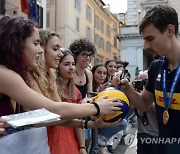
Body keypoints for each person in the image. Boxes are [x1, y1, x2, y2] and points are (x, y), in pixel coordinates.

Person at [0, 16, 121, 135]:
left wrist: (89, 121)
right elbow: (53, 110)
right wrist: (96, 107)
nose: (40, 50)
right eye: (36, 43)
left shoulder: (18, 74)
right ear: (17, 44)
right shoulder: (5, 74)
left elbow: (46, 117)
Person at [115, 5, 180, 154]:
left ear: (170, 30)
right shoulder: (156, 67)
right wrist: (127, 88)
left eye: (150, 38)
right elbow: (144, 104)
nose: (146, 46)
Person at [92, 64, 127, 154]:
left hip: (98, 118)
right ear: (92, 73)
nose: (102, 75)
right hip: (91, 119)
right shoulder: (93, 86)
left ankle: (102, 138)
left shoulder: (104, 87)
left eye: (104, 73)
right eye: (99, 72)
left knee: (122, 123)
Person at [69, 38, 95, 151]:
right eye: (84, 54)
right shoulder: (69, 72)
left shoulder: (89, 74)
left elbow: (89, 96)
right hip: (72, 116)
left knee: (86, 146)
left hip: (85, 115)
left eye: (90, 55)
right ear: (75, 56)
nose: (88, 58)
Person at [133, 71, 158, 154]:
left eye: (146, 81)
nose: (143, 84)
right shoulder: (136, 95)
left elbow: (160, 114)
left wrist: (146, 100)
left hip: (156, 136)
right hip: (142, 134)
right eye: (141, 81)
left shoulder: (158, 93)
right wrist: (132, 94)